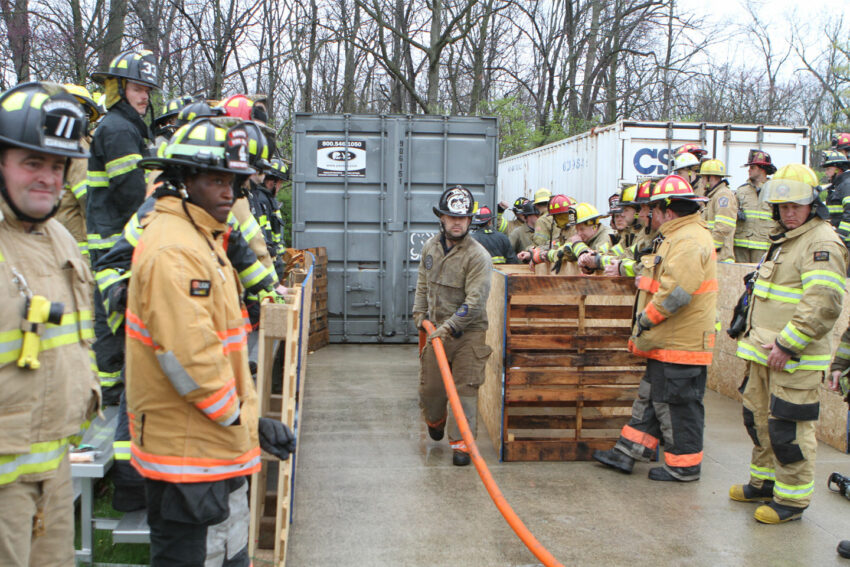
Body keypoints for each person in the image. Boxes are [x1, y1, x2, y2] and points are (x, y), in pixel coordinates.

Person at [126, 117, 296, 565]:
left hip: (214, 452)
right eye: (215, 179)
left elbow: (219, 351)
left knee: (229, 553)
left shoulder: (203, 239)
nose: (228, 193)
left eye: (235, 182)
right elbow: (191, 360)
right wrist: (241, 419)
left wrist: (253, 425)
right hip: (187, 461)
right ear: (182, 181)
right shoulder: (174, 250)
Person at [0, 81, 100, 566]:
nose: (47, 178)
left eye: (57, 165)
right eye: (31, 162)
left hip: (56, 465)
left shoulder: (62, 237)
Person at [731, 164, 847, 523]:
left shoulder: (821, 242)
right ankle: (764, 483)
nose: (789, 212)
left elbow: (823, 304)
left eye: (795, 206)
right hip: (765, 355)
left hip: (792, 359)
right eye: (782, 206)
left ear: (812, 204)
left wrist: (787, 345)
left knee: (789, 431)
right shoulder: (784, 240)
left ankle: (792, 502)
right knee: (759, 422)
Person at [593, 174, 716, 482]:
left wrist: (646, 318)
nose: (648, 216)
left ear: (668, 210)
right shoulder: (677, 236)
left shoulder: (688, 240)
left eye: (653, 210)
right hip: (669, 340)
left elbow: (678, 293)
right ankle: (627, 452)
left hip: (681, 344)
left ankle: (684, 466)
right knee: (651, 397)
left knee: (678, 407)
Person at [87, 48, 160, 399]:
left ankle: (113, 384)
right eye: (136, 88)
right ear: (117, 89)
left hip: (117, 236)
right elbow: (133, 193)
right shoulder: (118, 130)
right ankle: (109, 389)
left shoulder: (129, 128)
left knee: (116, 313)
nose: (144, 96)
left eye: (146, 89)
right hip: (111, 239)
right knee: (111, 315)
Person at [413, 185, 492, 467]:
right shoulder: (430, 247)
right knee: (431, 391)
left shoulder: (478, 256)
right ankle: (436, 420)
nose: (457, 222)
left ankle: (463, 444)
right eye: (451, 217)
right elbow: (423, 283)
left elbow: (475, 301)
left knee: (465, 391)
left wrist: (447, 328)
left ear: (470, 220)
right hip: (436, 333)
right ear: (442, 218)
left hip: (468, 334)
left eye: (463, 218)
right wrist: (418, 311)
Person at [54, 84, 105, 259]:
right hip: (79, 247)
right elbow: (88, 196)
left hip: (61, 240)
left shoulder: (54, 144)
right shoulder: (76, 145)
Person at [734, 149, 777, 263]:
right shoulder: (741, 191)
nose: (749, 170)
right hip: (740, 245)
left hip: (763, 246)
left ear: (762, 169)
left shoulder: (774, 191)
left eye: (752, 167)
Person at [699, 159, 737, 263]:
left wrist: (709, 249)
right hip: (714, 257)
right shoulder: (713, 196)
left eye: (703, 178)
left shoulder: (723, 195)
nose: (701, 181)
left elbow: (723, 227)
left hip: (721, 258)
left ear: (710, 178)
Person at [822, 149, 850, 254]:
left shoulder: (847, 185)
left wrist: (840, 236)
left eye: (829, 169)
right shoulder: (838, 186)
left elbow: (849, 213)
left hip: (846, 242)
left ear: (838, 169)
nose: (826, 173)